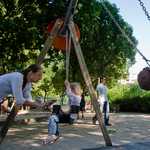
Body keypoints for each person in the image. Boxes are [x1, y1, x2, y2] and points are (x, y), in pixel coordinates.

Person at [42, 80, 81, 145]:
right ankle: (56, 134)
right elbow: (70, 96)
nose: (67, 91)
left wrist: (67, 85)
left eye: (68, 90)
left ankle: (52, 135)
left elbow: (69, 95)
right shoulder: (73, 98)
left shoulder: (77, 98)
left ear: (73, 90)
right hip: (68, 116)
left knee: (52, 118)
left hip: (70, 117)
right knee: (54, 118)